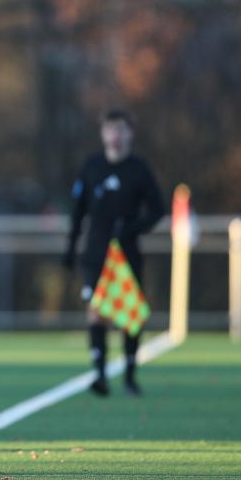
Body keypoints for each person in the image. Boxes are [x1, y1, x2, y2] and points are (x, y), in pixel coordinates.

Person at [64, 108, 163, 397]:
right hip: (96, 251)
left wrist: (133, 228)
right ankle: (100, 375)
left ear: (130, 133)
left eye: (121, 129)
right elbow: (77, 212)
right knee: (96, 312)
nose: (115, 135)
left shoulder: (139, 169)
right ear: (102, 133)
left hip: (127, 251)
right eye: (110, 129)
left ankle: (130, 375)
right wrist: (70, 248)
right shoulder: (91, 167)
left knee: (130, 315)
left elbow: (157, 210)